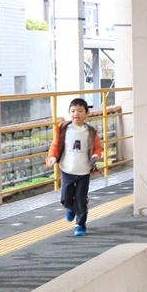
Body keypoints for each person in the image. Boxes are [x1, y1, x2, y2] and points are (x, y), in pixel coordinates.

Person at [45, 98, 102, 237]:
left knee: (81, 198)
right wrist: (52, 157)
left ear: (87, 113)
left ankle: (80, 225)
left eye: (80, 111)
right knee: (65, 198)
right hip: (67, 169)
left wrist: (95, 156)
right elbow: (55, 145)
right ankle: (71, 208)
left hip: (84, 171)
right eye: (73, 111)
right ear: (69, 113)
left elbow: (97, 148)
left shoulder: (90, 131)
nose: (76, 113)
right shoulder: (63, 129)